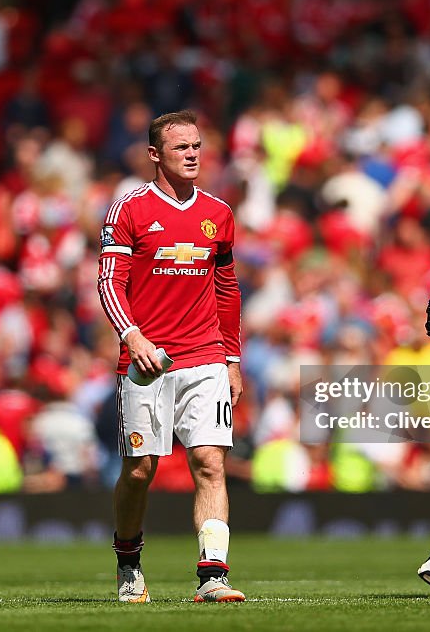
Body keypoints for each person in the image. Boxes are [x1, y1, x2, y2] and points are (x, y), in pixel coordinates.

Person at [97, 110, 245, 603]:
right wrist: (131, 336)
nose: (193, 154)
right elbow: (109, 282)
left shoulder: (219, 213)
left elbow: (226, 288)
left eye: (198, 146)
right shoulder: (129, 210)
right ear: (155, 155)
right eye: (182, 147)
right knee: (140, 470)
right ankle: (129, 561)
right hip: (146, 362)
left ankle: (213, 575)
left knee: (209, 462)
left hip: (204, 357)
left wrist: (232, 358)